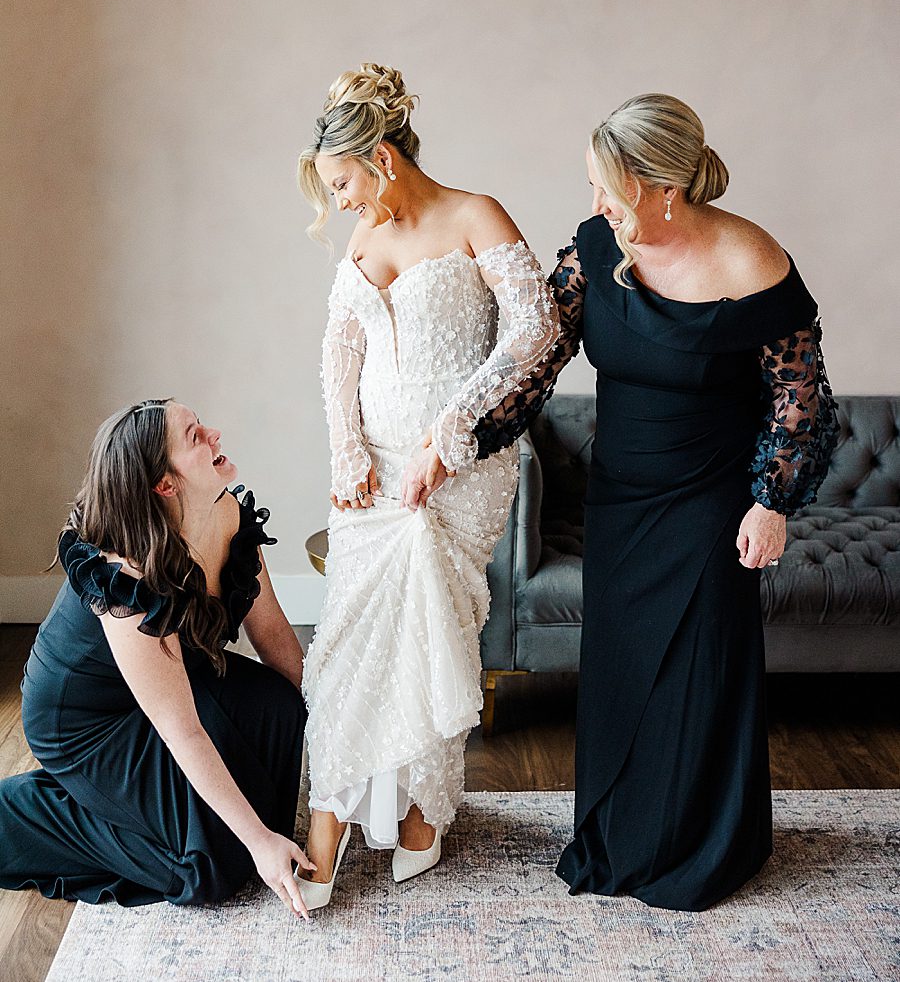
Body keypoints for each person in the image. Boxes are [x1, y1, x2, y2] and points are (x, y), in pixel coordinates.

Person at [474, 93, 839, 911]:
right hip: (622, 502)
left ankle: (704, 848)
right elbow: (534, 358)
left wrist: (770, 500)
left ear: (660, 186)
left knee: (699, 676)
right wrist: (462, 436)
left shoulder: (754, 259)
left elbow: (800, 396)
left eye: (609, 187)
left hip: (713, 504)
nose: (597, 205)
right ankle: (619, 839)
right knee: (624, 674)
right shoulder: (598, 248)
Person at [296, 62, 559, 907]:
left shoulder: (476, 215)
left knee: (430, 632)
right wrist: (345, 449)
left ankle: (419, 813)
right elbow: (340, 354)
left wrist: (450, 436)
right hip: (371, 470)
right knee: (346, 640)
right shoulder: (362, 239)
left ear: (382, 155)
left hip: (461, 473)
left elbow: (536, 329)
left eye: (343, 181)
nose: (339, 201)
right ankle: (327, 828)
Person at [0, 399, 314, 916]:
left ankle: (129, 802)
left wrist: (334, 734)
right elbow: (181, 728)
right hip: (86, 721)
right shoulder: (128, 576)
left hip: (170, 684)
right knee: (216, 866)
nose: (214, 434)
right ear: (164, 484)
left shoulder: (228, 516)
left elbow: (274, 634)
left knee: (280, 708)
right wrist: (259, 844)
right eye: (194, 436)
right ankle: (26, 813)